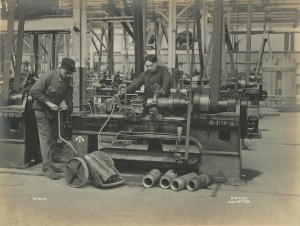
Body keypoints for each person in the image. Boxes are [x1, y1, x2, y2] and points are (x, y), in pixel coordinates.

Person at [29, 58, 75, 180]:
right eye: (67, 72)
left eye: (70, 73)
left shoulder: (67, 79)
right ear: (61, 68)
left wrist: (64, 102)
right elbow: (33, 91)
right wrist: (48, 103)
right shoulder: (49, 75)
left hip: (54, 112)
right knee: (46, 138)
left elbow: (68, 94)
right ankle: (47, 168)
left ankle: (50, 163)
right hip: (41, 111)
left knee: (54, 137)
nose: (68, 75)